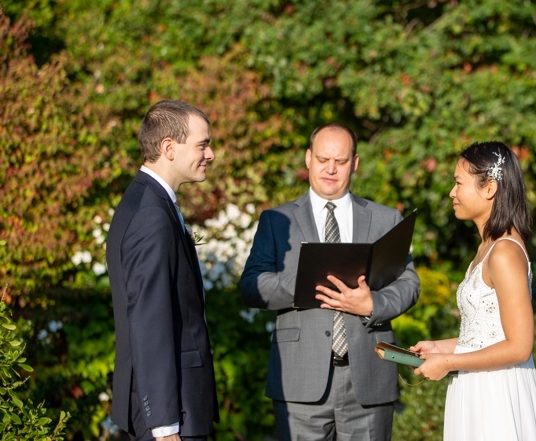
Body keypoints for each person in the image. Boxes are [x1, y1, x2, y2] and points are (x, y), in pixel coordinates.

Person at [238, 123, 420, 440]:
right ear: (308, 159)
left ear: (356, 163)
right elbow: (251, 285)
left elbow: (409, 282)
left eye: (341, 161)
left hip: (368, 376)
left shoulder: (385, 218)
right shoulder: (277, 220)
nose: (331, 169)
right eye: (323, 159)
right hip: (299, 379)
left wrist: (373, 304)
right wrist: (305, 283)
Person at [411, 141, 536, 440]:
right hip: (475, 386)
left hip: (496, 393)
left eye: (458, 183)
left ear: (489, 189)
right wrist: (441, 347)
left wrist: (449, 362)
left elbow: (519, 345)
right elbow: (487, 332)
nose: (452, 192)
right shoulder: (486, 247)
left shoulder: (504, 252)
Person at [107, 100, 219, 440]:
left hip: (178, 407)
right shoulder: (152, 215)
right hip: (173, 416)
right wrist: (165, 425)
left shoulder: (148, 201)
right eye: (202, 144)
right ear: (168, 147)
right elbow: (150, 320)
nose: (210, 154)